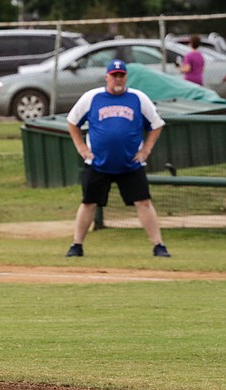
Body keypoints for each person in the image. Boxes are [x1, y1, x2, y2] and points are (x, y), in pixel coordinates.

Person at [65, 59, 170, 258]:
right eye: (114, 75)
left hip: (130, 164)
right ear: (107, 77)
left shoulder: (138, 98)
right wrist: (81, 147)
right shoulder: (92, 97)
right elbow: (72, 122)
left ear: (126, 77)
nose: (118, 79)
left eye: (121, 75)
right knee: (88, 202)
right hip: (98, 163)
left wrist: (146, 150)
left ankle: (159, 245)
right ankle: (76, 245)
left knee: (144, 202)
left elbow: (156, 124)